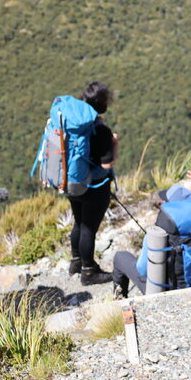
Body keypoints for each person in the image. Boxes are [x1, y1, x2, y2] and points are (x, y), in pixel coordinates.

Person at [67, 81, 118, 285]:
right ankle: (89, 272)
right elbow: (107, 165)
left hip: (72, 182)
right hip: (95, 186)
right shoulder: (101, 130)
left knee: (79, 222)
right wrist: (115, 144)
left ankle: (76, 261)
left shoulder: (73, 122)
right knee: (88, 227)